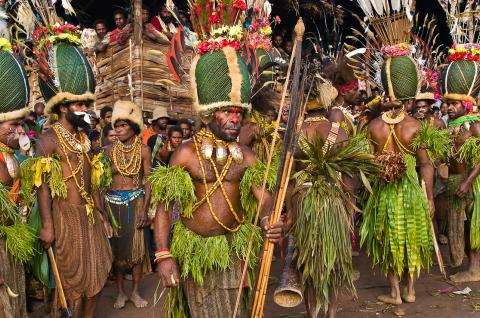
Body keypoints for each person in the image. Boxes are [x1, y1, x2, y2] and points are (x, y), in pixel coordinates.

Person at [151, 43, 283, 316]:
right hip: (196, 251)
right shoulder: (186, 153)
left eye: (238, 113)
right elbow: (163, 207)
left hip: (233, 251)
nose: (234, 119)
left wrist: (271, 219)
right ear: (210, 113)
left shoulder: (246, 156)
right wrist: (163, 254)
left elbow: (264, 199)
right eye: (226, 111)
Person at [26, 25, 113, 318]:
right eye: (80, 104)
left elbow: (94, 182)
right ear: (63, 107)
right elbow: (43, 186)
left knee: (99, 275)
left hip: (89, 218)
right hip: (64, 220)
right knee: (71, 284)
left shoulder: (86, 138)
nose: (86, 110)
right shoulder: (48, 139)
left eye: (87, 104)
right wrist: (48, 225)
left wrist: (102, 216)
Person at [287, 79, 377, 318]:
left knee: (307, 261)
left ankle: (312, 313)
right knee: (333, 261)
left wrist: (289, 213)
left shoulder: (295, 134)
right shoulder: (337, 132)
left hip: (303, 201)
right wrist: (349, 208)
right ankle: (332, 313)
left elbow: (287, 179)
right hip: (333, 202)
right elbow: (349, 175)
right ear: (326, 104)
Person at [360, 25, 435, 306]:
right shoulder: (415, 126)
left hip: (384, 193)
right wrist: (429, 197)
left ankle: (394, 292)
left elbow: (366, 163)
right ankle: (410, 290)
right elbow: (425, 165)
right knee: (412, 237)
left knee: (388, 238)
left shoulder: (374, 126)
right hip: (412, 192)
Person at [104, 100, 152, 309]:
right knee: (117, 252)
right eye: (117, 125)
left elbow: (148, 179)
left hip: (136, 201)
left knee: (137, 252)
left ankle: (135, 292)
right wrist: (104, 215)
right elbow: (102, 183)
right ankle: (121, 293)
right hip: (112, 203)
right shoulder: (107, 151)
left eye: (123, 125)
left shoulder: (143, 150)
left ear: (133, 127)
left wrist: (145, 208)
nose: (119, 130)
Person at [0, 38, 36, 318]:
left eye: (21, 125)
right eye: (13, 125)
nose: (19, 131)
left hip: (11, 244)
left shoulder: (11, 156)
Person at [441, 48, 480, 282]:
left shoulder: (474, 125)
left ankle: (475, 269)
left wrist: (467, 182)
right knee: (462, 228)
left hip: (471, 183)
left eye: (454, 103)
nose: (450, 107)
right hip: (457, 181)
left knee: (473, 227)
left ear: (466, 104)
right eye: (448, 103)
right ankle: (469, 266)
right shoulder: (452, 126)